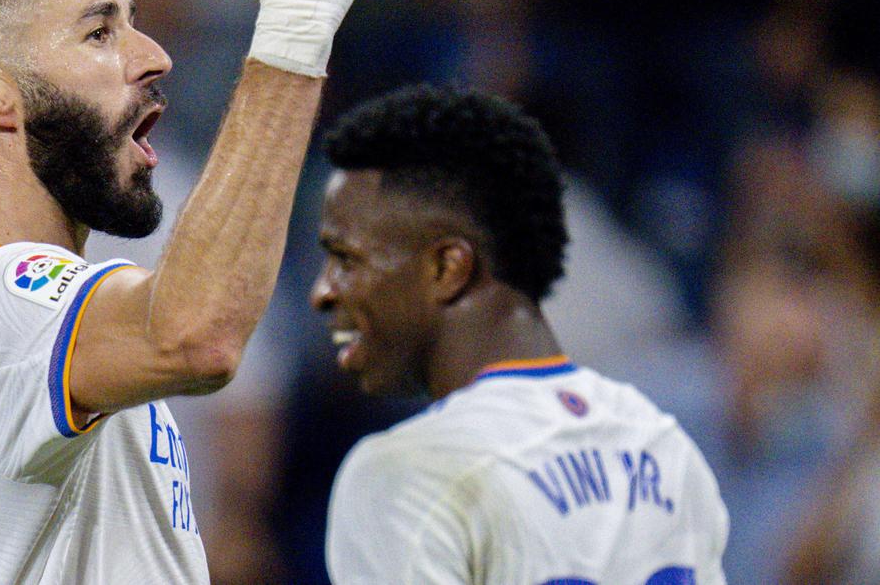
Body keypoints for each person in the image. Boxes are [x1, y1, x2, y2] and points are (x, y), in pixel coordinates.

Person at [0, 0, 369, 585]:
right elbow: (196, 332)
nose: (155, 56)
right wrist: (296, 20)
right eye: (100, 33)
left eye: (136, 24)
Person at [309, 85, 728, 584]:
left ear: (446, 267)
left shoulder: (406, 473)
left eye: (347, 259)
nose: (323, 292)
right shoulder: (661, 446)